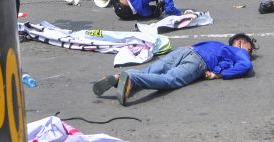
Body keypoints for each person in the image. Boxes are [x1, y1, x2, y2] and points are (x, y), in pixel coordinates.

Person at [92, 33, 256, 106]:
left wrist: (219, 69)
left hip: (183, 51)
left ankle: (120, 77)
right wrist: (219, 74)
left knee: (150, 71)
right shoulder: (239, 51)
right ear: (241, 43)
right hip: (199, 61)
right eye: (250, 49)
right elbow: (246, 66)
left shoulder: (218, 45)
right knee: (168, 80)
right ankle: (131, 78)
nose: (250, 52)